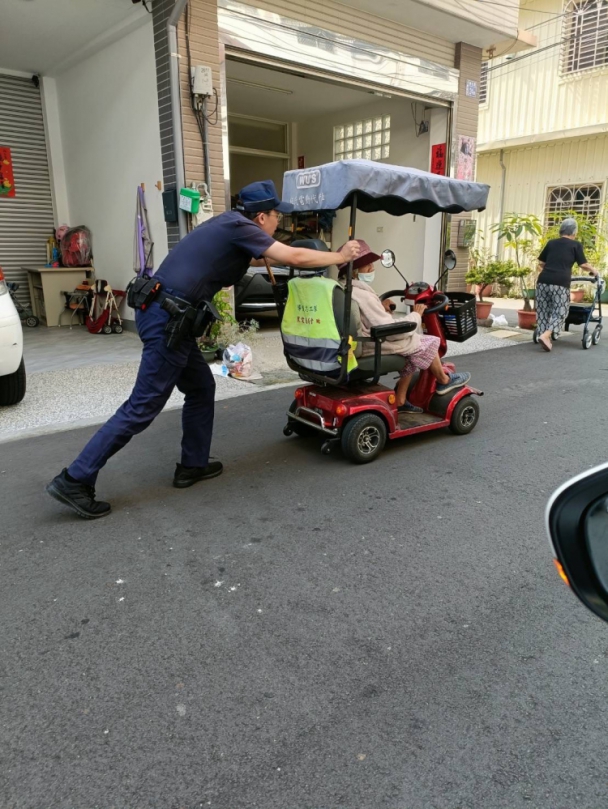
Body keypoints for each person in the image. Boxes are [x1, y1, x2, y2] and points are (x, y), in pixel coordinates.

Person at [46, 180, 361, 519]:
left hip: (166, 315)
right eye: (275, 217)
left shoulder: (230, 226)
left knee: (200, 386)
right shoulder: (241, 227)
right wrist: (340, 255)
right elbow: (294, 255)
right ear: (260, 218)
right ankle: (75, 478)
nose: (277, 224)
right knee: (142, 406)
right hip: (168, 320)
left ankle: (192, 464)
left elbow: (250, 259)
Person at [337, 240, 470, 413]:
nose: (372, 268)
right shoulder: (363, 295)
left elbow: (368, 317)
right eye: (367, 265)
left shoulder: (344, 289)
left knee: (410, 351)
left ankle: (400, 399)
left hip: (359, 340)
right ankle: (444, 381)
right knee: (428, 341)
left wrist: (381, 306)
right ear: (354, 271)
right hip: (373, 343)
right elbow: (389, 330)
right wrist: (416, 315)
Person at [535, 217, 598, 352]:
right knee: (561, 311)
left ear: (561, 230)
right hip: (560, 283)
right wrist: (594, 270)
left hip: (543, 281)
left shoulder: (551, 243)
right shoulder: (575, 245)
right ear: (574, 232)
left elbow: (541, 263)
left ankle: (542, 333)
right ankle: (546, 336)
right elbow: (583, 264)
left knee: (543, 310)